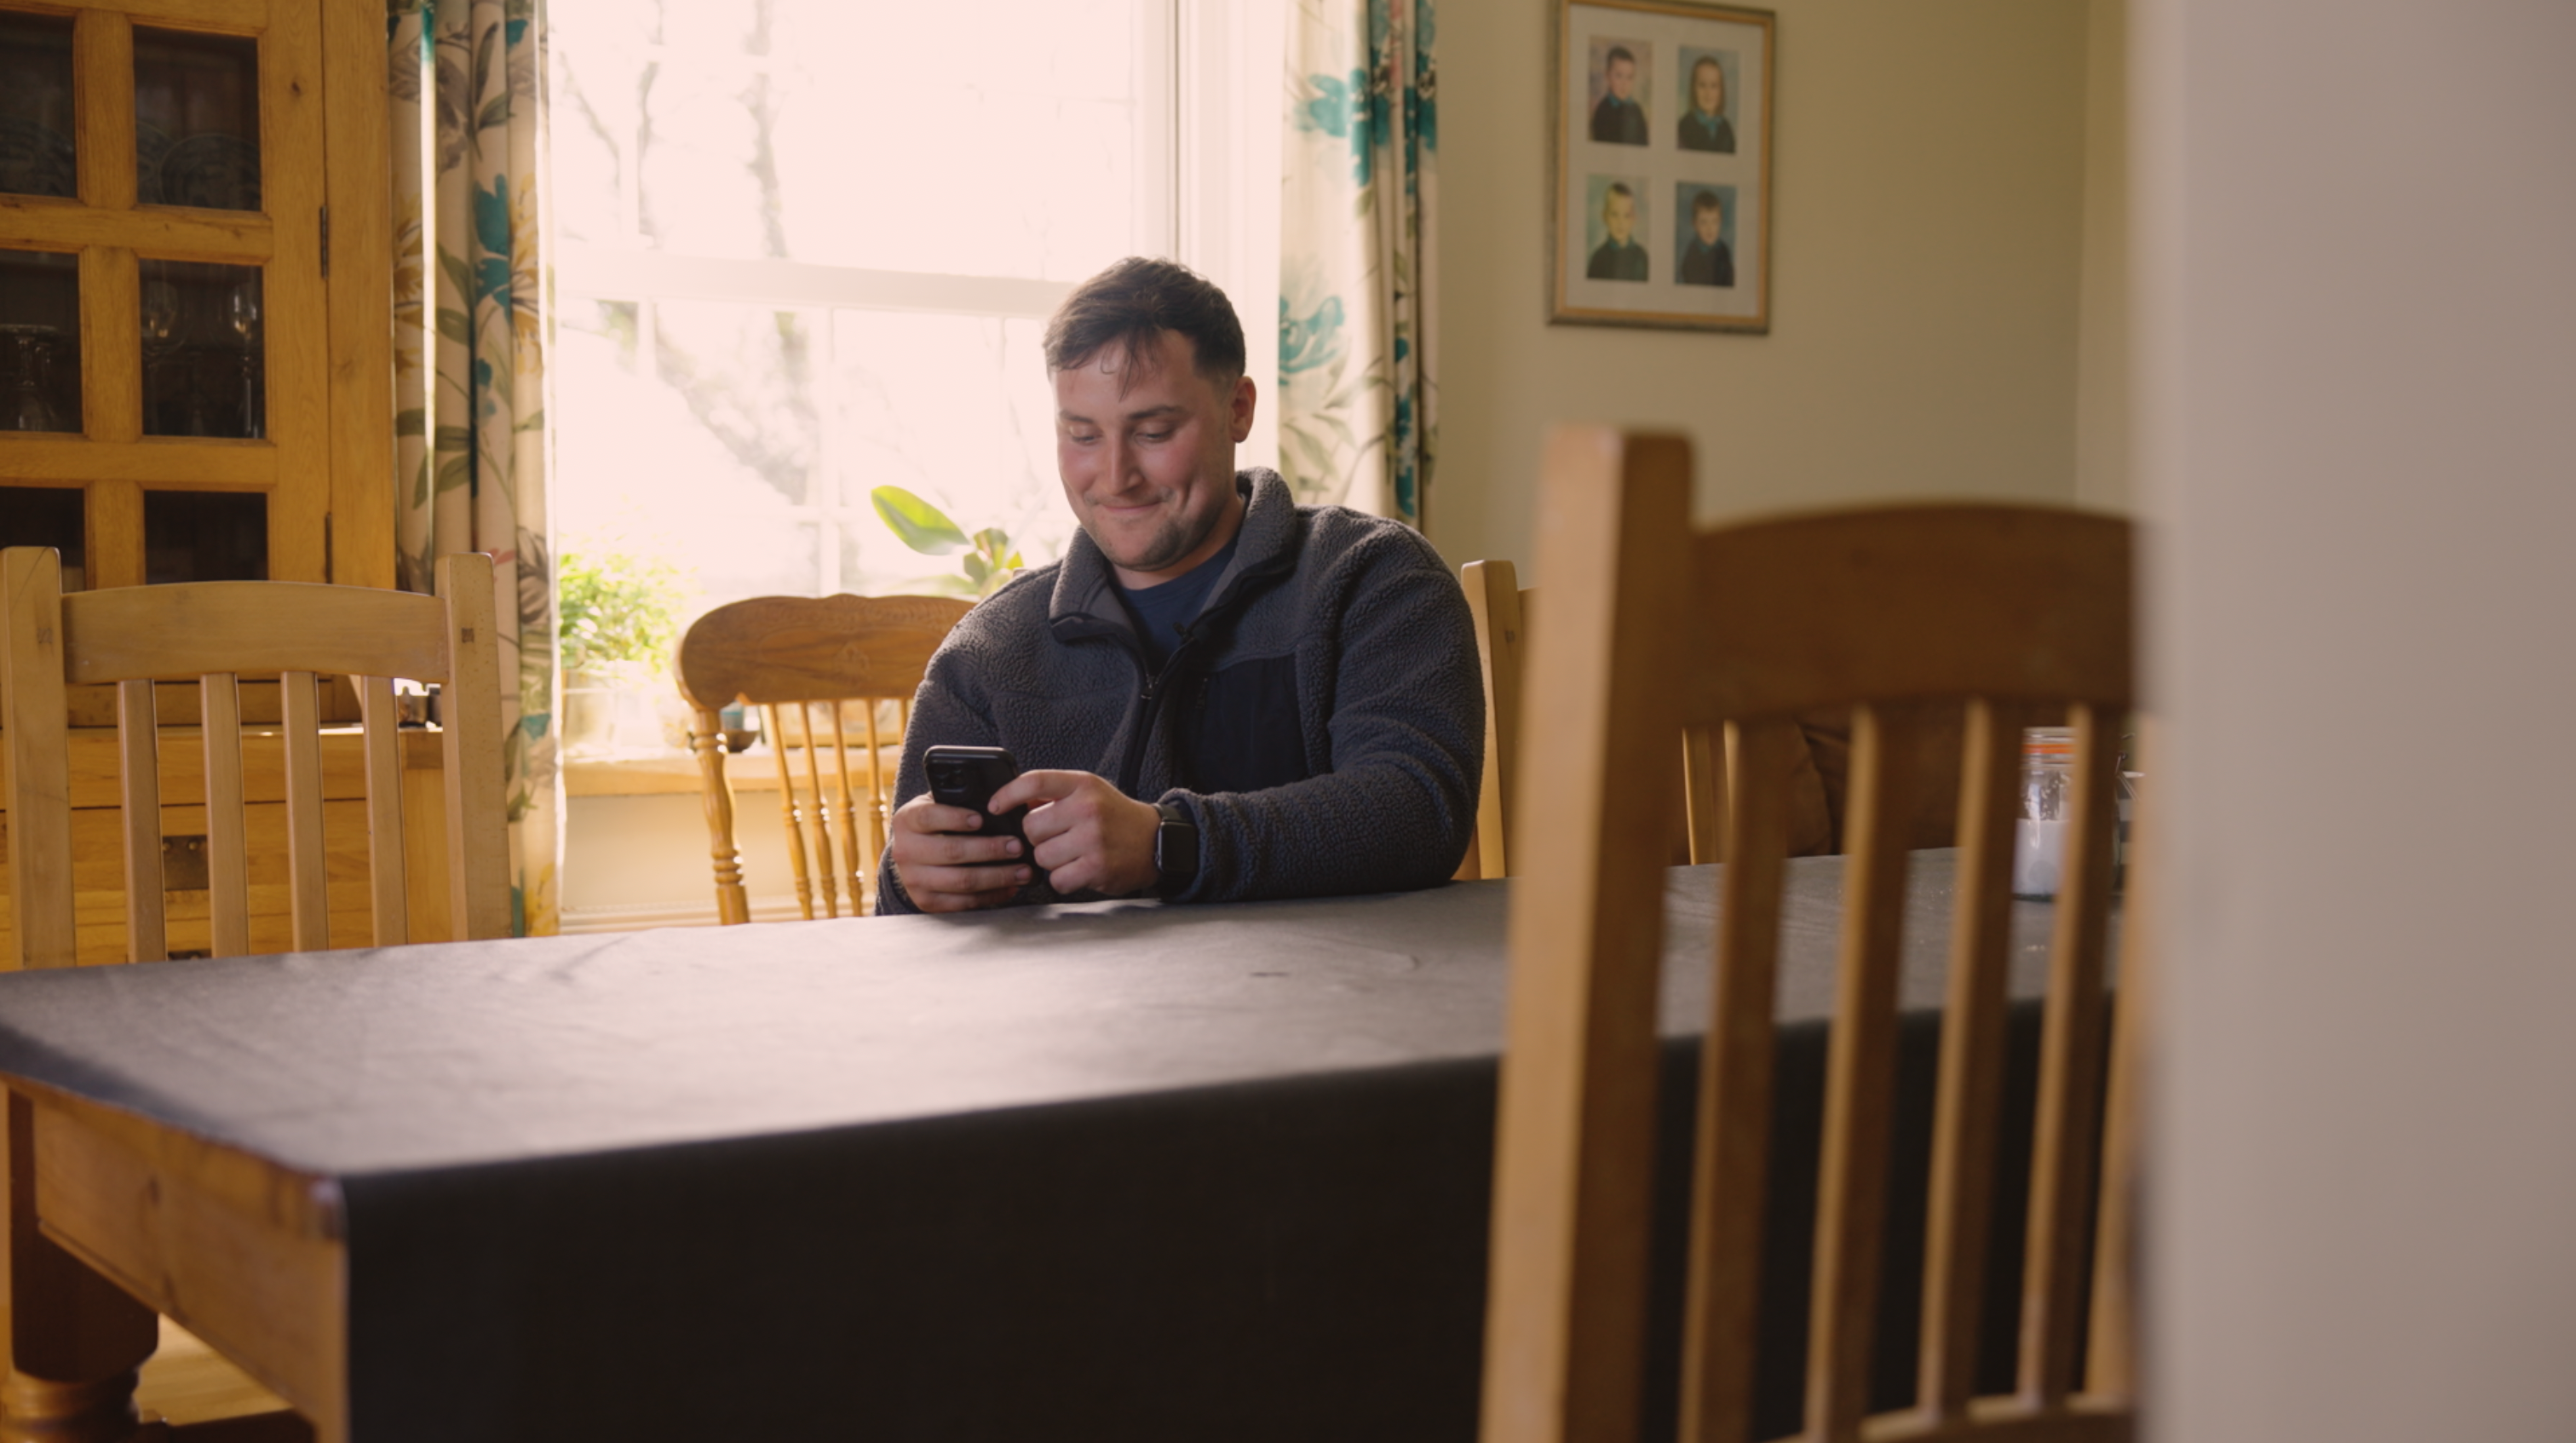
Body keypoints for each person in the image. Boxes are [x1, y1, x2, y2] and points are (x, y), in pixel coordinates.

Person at [877, 257, 1484, 915]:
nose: (1114, 476)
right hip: (1072, 1015)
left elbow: (1418, 811)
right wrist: (910, 880)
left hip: (1326, 1006)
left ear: (1238, 410)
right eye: (1082, 435)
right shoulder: (987, 652)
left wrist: (1169, 843)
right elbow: (904, 917)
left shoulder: (1371, 579)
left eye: (1154, 432)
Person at [1587, 182, 1649, 281]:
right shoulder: (1598, 258)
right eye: (1614, 214)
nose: (1620, 222)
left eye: (1626, 216)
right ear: (1604, 216)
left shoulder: (1641, 256)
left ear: (1634, 218)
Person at [1676, 55, 1737, 153]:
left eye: (1714, 86)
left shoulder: (1726, 128)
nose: (1708, 93)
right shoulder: (1685, 126)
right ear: (1693, 89)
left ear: (1721, 90)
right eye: (1702, 85)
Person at [1590, 46, 1647, 145]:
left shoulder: (1637, 110)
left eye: (1629, 77)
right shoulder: (1602, 111)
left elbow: (1644, 142)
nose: (1624, 83)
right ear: (1607, 76)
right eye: (1619, 76)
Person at [1679, 188, 1734, 287]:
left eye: (1715, 222)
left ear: (1720, 222)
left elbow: (1729, 279)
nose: (1710, 228)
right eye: (1704, 222)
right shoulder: (1692, 254)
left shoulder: (1723, 249)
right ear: (1694, 224)